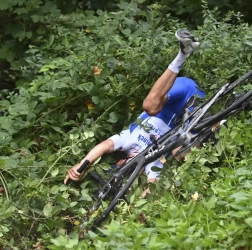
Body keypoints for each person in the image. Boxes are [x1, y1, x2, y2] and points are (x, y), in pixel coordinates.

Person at [64, 29, 207, 197]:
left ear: (118, 161)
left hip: (183, 93)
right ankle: (220, 119)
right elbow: (151, 188)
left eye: (120, 168)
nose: (126, 168)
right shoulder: (151, 162)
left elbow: (104, 146)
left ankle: (183, 53)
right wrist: (138, 206)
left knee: (150, 106)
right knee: (179, 154)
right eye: (127, 174)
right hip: (192, 115)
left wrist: (81, 165)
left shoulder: (127, 141)